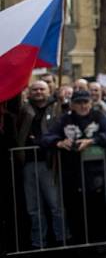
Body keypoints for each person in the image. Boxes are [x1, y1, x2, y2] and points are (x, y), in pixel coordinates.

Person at [41, 90, 106, 244]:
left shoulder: (98, 116)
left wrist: (93, 141)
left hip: (96, 171)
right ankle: (81, 242)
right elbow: (46, 138)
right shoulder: (65, 119)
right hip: (73, 172)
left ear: (90, 103)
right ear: (72, 105)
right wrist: (59, 142)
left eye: (85, 102)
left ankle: (100, 241)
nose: (82, 106)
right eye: (78, 103)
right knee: (75, 208)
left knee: (98, 207)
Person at [17, 81, 67, 248]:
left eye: (42, 89)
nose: (38, 92)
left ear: (49, 90)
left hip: (49, 162)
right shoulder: (24, 110)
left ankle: (61, 237)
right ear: (30, 92)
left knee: (55, 204)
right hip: (29, 163)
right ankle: (39, 241)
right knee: (33, 207)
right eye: (35, 89)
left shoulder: (56, 108)